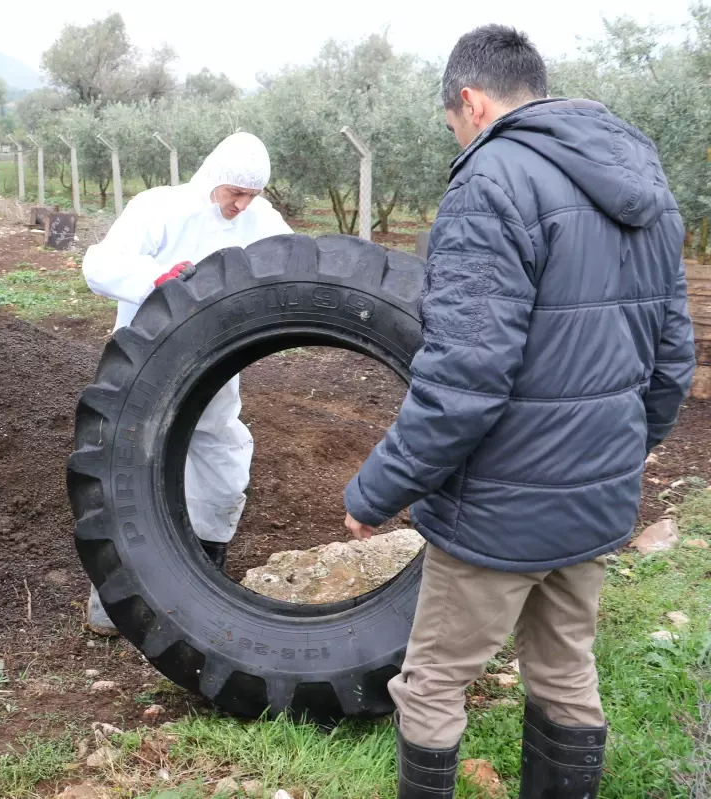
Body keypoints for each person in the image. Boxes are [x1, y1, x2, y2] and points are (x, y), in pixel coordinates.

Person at [342, 26, 695, 799]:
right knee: (566, 670)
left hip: (499, 506)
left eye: (451, 124)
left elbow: (466, 378)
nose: (457, 137)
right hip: (594, 500)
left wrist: (376, 490)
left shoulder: (492, 180)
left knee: (432, 683)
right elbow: (673, 361)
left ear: (470, 101)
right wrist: (620, 452)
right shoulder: (643, 178)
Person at [81, 132, 292, 634]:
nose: (241, 205)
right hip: (144, 374)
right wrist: (157, 280)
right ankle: (109, 602)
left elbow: (292, 261)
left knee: (221, 460)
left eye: (251, 195)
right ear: (212, 179)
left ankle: (203, 575)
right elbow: (100, 265)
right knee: (130, 472)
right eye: (234, 193)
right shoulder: (161, 207)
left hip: (217, 369)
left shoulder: (260, 220)